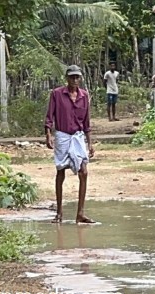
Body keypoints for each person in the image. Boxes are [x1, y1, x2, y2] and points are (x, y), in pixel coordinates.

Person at [44, 64, 96, 225]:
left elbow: (86, 121)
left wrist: (90, 143)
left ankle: (80, 213)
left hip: (78, 136)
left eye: (77, 77)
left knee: (84, 171)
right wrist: (48, 134)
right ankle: (59, 212)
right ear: (67, 78)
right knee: (60, 171)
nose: (74, 80)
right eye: (72, 77)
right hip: (62, 135)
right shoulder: (57, 94)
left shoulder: (84, 96)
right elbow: (49, 115)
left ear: (80, 78)